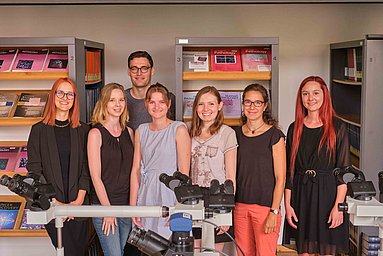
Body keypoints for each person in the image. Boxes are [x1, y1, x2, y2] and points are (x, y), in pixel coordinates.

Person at [284, 76, 350, 256]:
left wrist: (339, 206)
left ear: (324, 95)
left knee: (328, 251)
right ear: (301, 98)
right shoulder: (294, 128)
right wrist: (287, 205)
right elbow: (290, 171)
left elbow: (343, 172)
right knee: (304, 252)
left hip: (329, 196)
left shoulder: (338, 127)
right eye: (305, 94)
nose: (310, 98)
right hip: (302, 195)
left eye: (315, 93)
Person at [26, 77, 90, 256]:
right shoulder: (38, 130)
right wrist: (56, 203)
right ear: (53, 96)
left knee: (79, 251)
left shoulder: (83, 130)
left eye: (70, 94)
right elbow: (35, 171)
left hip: (79, 204)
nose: (65, 97)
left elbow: (86, 169)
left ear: (75, 99)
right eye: (60, 92)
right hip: (51, 205)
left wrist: (77, 203)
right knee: (67, 251)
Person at [130, 82, 191, 239]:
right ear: (146, 104)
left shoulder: (179, 129)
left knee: (172, 245)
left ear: (169, 103)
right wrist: (132, 207)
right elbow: (136, 169)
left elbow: (184, 173)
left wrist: (179, 207)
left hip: (170, 192)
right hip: (146, 194)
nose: (157, 107)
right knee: (148, 245)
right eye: (152, 102)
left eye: (161, 102)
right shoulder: (141, 130)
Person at [233, 83, 286, 256]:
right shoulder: (235, 134)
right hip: (240, 206)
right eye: (248, 102)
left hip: (265, 208)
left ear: (265, 106)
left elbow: (281, 178)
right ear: (242, 105)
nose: (252, 107)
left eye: (257, 102)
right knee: (243, 253)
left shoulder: (274, 136)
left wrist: (274, 211)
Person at [188, 86, 238, 252]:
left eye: (211, 104)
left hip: (218, 197)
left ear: (220, 106)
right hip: (192, 197)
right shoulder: (188, 131)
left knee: (213, 252)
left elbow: (231, 176)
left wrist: (227, 212)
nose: (205, 109)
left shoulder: (227, 133)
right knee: (194, 251)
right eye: (201, 104)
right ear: (195, 107)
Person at [88, 83, 134, 256]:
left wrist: (132, 204)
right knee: (113, 254)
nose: (118, 104)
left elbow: (134, 171)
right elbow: (95, 176)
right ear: (104, 104)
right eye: (112, 100)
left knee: (120, 251)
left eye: (121, 99)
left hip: (127, 206)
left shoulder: (129, 132)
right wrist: (107, 210)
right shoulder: (95, 134)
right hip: (104, 206)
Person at [125, 50, 175, 131]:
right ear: (129, 72)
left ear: (152, 71)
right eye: (134, 69)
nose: (139, 73)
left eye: (144, 68)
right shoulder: (120, 100)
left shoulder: (168, 98)